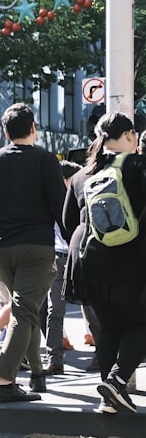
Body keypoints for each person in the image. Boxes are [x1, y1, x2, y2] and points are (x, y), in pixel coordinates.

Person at [0, 103, 65, 401]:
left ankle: (37, 375)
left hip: (1, 248)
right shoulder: (44, 159)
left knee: (26, 309)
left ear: (5, 131)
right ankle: (4, 383)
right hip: (37, 246)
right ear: (33, 128)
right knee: (25, 311)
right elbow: (60, 208)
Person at [62, 111, 146, 415]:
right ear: (126, 136)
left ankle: (108, 397)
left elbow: (68, 221)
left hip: (86, 260)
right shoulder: (138, 165)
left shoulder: (84, 174)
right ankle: (117, 380)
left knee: (109, 327)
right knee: (140, 324)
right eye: (134, 134)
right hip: (130, 261)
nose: (136, 139)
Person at [42, 160, 82, 377]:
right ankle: (54, 359)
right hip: (57, 258)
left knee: (93, 308)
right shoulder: (49, 199)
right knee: (54, 310)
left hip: (78, 257)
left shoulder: (80, 199)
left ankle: (105, 356)